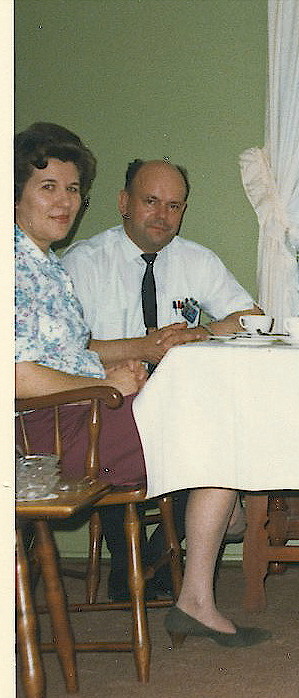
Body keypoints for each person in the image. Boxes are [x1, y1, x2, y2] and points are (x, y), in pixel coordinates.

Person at [14, 123, 270, 647]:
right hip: (47, 431)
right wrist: (103, 382)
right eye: (47, 188)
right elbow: (16, 372)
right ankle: (203, 574)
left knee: (210, 421)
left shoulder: (41, 265)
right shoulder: (40, 263)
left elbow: (69, 350)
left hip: (75, 413)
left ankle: (202, 552)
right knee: (216, 436)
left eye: (70, 189)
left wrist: (144, 349)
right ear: (123, 203)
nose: (64, 201)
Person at [61, 158, 259, 600]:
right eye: (151, 201)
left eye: (174, 205)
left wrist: (200, 332)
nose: (162, 215)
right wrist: (140, 349)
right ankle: (150, 561)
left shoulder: (196, 260)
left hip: (174, 403)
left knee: (220, 425)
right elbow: (66, 353)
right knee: (153, 428)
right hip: (103, 403)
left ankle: (146, 561)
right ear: (124, 203)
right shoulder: (83, 263)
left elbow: (251, 318)